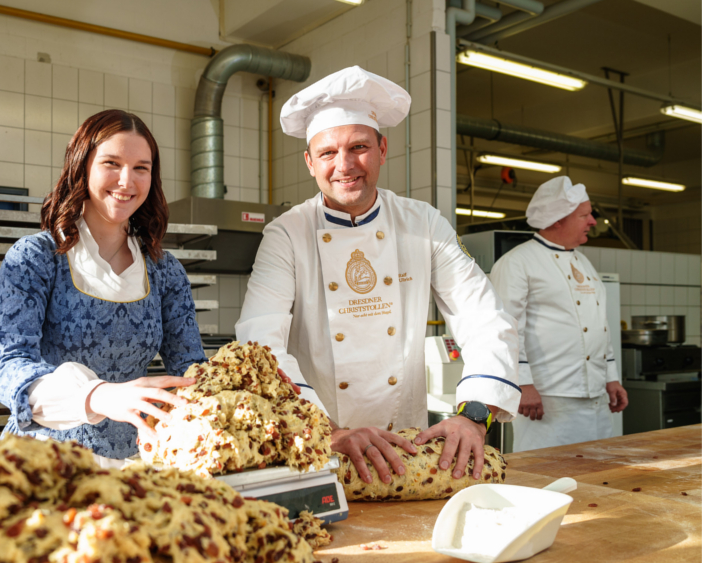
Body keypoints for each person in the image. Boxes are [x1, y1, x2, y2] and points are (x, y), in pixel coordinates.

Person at [237, 66, 521, 486]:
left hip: (406, 448)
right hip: (318, 444)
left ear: (383, 148)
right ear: (309, 162)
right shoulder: (287, 234)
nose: (345, 164)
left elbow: (482, 316)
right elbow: (260, 344)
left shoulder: (422, 223)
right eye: (328, 152)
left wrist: (475, 414)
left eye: (359, 147)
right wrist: (325, 430)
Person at [0, 109, 207, 467]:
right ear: (82, 167)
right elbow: (7, 366)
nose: (126, 181)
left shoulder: (166, 271)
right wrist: (97, 396)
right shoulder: (35, 258)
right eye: (111, 163)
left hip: (135, 462)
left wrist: (247, 387)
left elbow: (190, 369)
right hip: (43, 461)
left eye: (141, 168)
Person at [489, 176, 629, 453]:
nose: (593, 222)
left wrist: (610, 377)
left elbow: (598, 324)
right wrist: (523, 383)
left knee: (598, 475)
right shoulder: (517, 263)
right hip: (547, 399)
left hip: (595, 396)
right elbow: (504, 328)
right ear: (557, 220)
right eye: (585, 215)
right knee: (548, 475)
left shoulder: (583, 261)